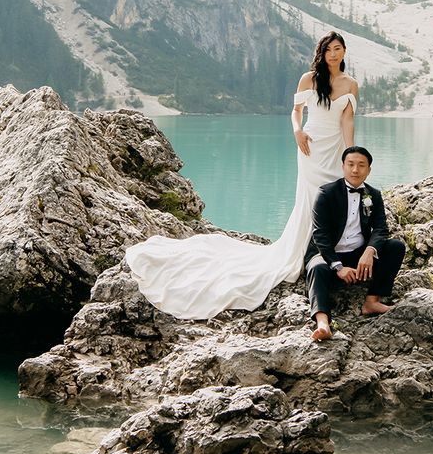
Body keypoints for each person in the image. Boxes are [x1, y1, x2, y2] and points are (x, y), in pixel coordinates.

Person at [125, 31, 359, 319]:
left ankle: (327, 251)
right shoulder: (309, 79)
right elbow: (296, 111)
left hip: (334, 150)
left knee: (335, 197)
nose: (333, 54)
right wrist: (297, 131)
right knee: (311, 200)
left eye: (338, 49)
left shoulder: (350, 85)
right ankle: (305, 253)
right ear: (322, 54)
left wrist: (351, 156)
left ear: (344, 52)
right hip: (310, 147)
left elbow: (347, 121)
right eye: (329, 50)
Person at [305, 146, 405, 341]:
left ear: (369, 170)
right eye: (350, 164)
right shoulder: (326, 193)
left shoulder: (373, 195)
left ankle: (372, 301)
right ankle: (323, 323)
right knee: (317, 268)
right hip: (327, 255)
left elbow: (381, 228)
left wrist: (370, 250)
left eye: (361, 165)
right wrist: (338, 267)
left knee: (396, 247)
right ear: (343, 167)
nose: (355, 170)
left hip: (358, 255)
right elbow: (320, 235)